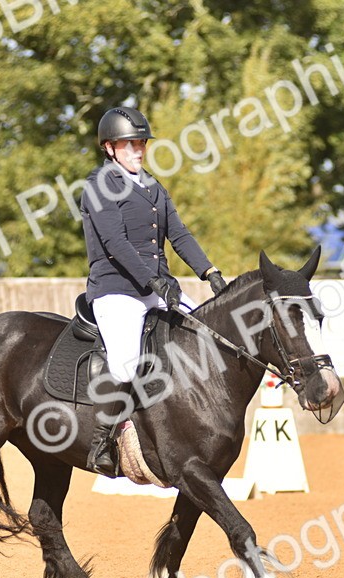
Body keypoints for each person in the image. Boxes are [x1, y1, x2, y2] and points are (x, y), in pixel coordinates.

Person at [79, 106, 228, 476]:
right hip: (117, 290)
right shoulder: (99, 186)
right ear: (110, 148)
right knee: (126, 362)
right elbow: (115, 242)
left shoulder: (152, 187)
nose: (138, 150)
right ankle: (102, 440)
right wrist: (153, 281)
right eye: (130, 144)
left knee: (207, 337)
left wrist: (209, 271)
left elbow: (178, 234)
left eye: (141, 143)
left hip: (156, 287)